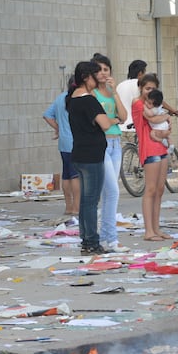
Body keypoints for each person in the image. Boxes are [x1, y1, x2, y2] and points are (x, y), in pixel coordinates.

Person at [67, 61, 116, 255]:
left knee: (86, 201)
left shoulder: (72, 98)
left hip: (79, 153)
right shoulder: (88, 100)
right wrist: (114, 120)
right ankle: (92, 242)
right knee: (91, 199)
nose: (99, 79)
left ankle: (86, 240)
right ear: (87, 77)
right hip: (92, 155)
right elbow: (104, 124)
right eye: (96, 75)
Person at [92, 53, 130, 253]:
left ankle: (107, 238)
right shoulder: (91, 94)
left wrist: (114, 92)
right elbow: (103, 122)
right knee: (113, 191)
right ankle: (111, 238)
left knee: (109, 193)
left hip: (116, 143)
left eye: (106, 69)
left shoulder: (110, 92)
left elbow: (123, 117)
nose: (103, 73)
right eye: (98, 70)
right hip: (102, 144)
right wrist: (112, 120)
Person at [132, 74, 170, 241]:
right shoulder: (138, 103)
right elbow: (153, 118)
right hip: (149, 148)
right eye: (147, 88)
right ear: (140, 88)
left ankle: (156, 228)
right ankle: (149, 231)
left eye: (153, 89)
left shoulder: (155, 103)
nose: (150, 92)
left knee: (160, 190)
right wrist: (167, 116)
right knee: (151, 189)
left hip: (161, 146)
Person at [43, 76, 80, 216]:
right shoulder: (77, 99)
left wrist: (58, 128)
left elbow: (46, 115)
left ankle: (69, 207)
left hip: (63, 142)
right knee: (76, 176)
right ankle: (77, 207)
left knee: (67, 175)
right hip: (76, 141)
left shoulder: (60, 98)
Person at [116, 59, 147, 131]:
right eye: (144, 72)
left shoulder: (120, 85)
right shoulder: (141, 85)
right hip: (135, 127)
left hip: (121, 127)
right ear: (140, 73)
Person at [144, 88, 174, 152]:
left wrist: (144, 106)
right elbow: (166, 115)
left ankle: (162, 141)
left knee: (152, 134)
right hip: (165, 126)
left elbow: (149, 114)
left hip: (159, 127)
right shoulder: (160, 107)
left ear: (155, 105)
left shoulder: (155, 109)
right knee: (167, 136)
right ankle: (171, 145)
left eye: (149, 103)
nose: (147, 104)